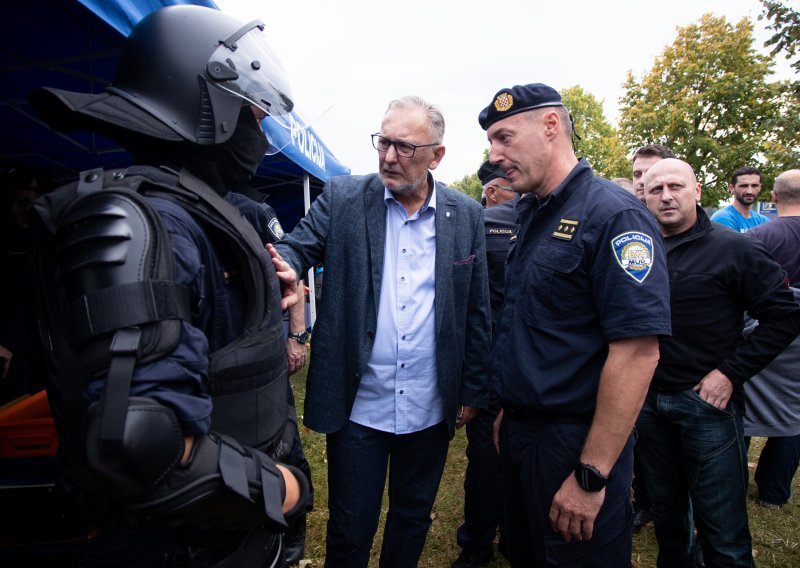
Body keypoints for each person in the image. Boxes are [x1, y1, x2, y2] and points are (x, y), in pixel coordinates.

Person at [27, 6, 311, 565]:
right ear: (205, 102)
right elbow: (141, 446)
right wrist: (287, 489)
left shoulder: (198, 216)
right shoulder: (145, 223)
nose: (258, 129)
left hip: (232, 540)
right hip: (170, 547)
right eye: (251, 114)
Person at [274, 95, 492, 567]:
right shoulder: (345, 198)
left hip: (430, 404)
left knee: (412, 518)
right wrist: (286, 267)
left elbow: (476, 311)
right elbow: (297, 247)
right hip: (360, 404)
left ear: (437, 155)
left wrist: (472, 388)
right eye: (384, 142)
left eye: (405, 147)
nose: (389, 157)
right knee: (351, 526)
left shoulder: (466, 214)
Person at [480, 83, 671, 567]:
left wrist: (592, 473)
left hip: (577, 441)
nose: (495, 154)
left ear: (550, 127)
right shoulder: (532, 212)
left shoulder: (613, 214)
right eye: (490, 142)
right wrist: (512, 409)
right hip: (524, 431)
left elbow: (637, 353)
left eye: (504, 137)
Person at [638, 158, 800, 567]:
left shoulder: (734, 247)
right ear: (644, 196)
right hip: (646, 403)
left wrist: (731, 372)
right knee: (669, 517)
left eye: (676, 186)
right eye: (655, 189)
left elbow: (784, 315)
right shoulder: (637, 248)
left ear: (697, 191)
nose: (666, 196)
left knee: (722, 528)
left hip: (706, 406)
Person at [452, 161, 515, 568]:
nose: (519, 195)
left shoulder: (474, 225)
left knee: (488, 460)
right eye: (512, 189)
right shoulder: (488, 225)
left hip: (491, 364)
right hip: (508, 363)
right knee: (494, 460)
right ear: (493, 190)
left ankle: (478, 543)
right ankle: (488, 540)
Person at [744, 169, 800, 509]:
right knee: (795, 414)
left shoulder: (757, 236)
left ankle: (733, 477)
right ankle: (773, 492)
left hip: (766, 334)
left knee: (746, 404)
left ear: (774, 197)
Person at [710, 166, 770, 232]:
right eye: (744, 186)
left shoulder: (764, 221)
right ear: (732, 188)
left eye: (754, 186)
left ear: (760, 187)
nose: (749, 191)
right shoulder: (722, 219)